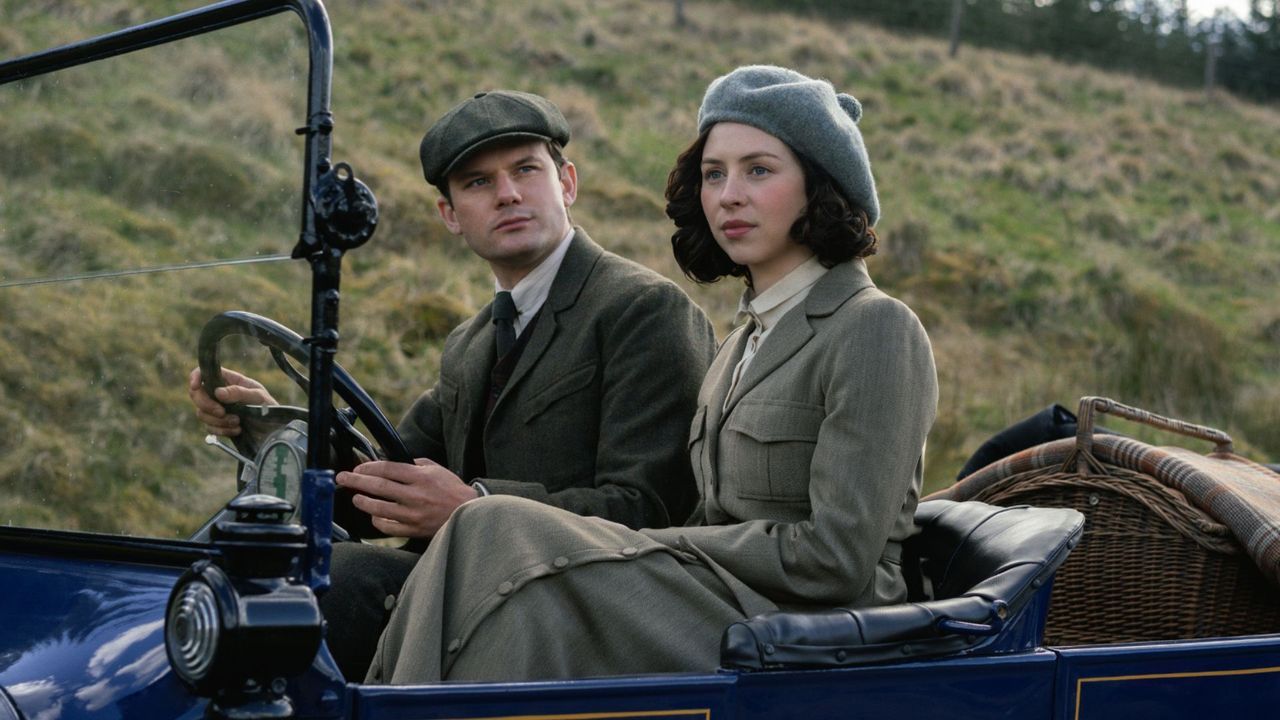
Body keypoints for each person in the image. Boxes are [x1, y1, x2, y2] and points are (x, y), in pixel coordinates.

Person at [366, 65, 939, 683]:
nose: (728, 195)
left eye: (759, 170)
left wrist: (652, 545)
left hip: (811, 631)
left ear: (820, 184)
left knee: (494, 527)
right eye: (714, 174)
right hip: (718, 600)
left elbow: (837, 559)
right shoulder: (744, 342)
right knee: (485, 539)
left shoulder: (875, 326)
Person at [188, 89, 716, 679]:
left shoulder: (643, 310)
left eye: (525, 170)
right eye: (477, 183)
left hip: (581, 599)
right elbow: (384, 486)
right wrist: (272, 428)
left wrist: (475, 507)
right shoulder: (471, 342)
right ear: (450, 215)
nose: (507, 194)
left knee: (340, 582)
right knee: (229, 560)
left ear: (566, 183)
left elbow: (653, 509)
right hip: (469, 586)